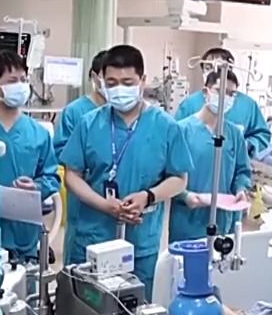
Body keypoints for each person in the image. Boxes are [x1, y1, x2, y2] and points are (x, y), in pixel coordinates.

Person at [59, 45, 192, 295]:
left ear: (143, 81)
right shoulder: (89, 123)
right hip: (94, 236)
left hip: (140, 240)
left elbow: (179, 178)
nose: (119, 89)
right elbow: (72, 175)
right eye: (112, 83)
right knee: (88, 305)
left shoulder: (165, 126)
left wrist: (147, 196)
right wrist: (103, 205)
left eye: (127, 82)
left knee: (135, 305)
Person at [0, 50, 61, 262]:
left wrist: (36, 187)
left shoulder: (38, 132)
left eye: (23, 80)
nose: (21, 86)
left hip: (25, 233)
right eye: (12, 81)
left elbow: (52, 177)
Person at [169, 69, 252, 244]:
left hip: (225, 222)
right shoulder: (182, 131)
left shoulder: (234, 134)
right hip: (188, 221)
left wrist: (240, 190)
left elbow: (242, 171)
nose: (225, 98)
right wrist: (185, 196)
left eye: (231, 94)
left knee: (223, 259)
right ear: (206, 92)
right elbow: (167, 175)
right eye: (220, 91)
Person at [174, 47, 272, 157]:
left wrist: (246, 146)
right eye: (208, 67)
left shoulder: (248, 106)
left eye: (219, 67)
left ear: (229, 69)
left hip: (234, 162)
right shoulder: (190, 104)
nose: (214, 71)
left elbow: (262, 134)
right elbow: (175, 138)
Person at [53, 49, 107, 157]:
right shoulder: (74, 111)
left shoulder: (122, 112)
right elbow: (60, 153)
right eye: (108, 76)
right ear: (94, 76)